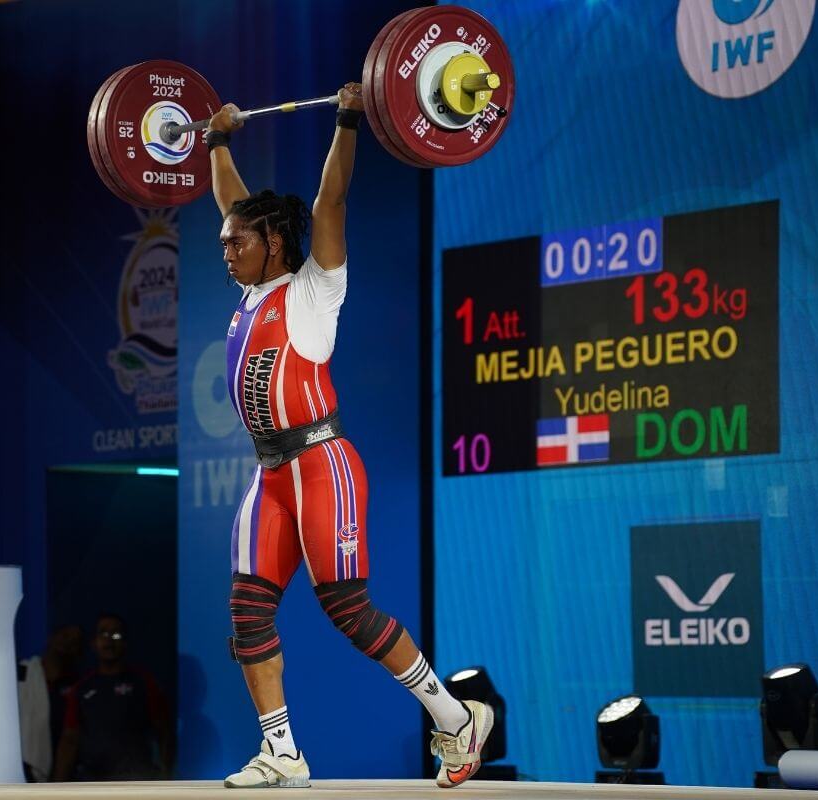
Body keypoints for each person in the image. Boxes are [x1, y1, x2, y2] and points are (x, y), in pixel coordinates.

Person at [207, 83, 492, 789]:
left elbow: (330, 201)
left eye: (236, 241)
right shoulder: (250, 291)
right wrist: (217, 143)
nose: (226, 251)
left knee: (347, 609)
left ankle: (456, 719)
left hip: (321, 463)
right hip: (269, 474)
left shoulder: (313, 289)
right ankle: (283, 752)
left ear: (273, 243)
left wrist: (347, 119)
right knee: (248, 611)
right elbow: (232, 205)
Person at [53, 615, 172, 781]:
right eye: (104, 634)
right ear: (94, 643)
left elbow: (164, 732)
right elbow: (69, 740)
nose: (110, 641)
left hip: (137, 780)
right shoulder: (81, 689)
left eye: (116, 635)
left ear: (125, 643)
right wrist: (59, 785)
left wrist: (167, 775)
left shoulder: (144, 683)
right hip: (93, 782)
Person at [18, 623, 83, 781]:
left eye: (75, 642)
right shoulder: (20, 673)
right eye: (65, 636)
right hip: (20, 766)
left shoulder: (80, 686)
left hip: (63, 772)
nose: (68, 643)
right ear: (52, 638)